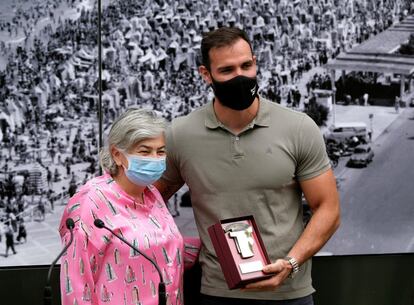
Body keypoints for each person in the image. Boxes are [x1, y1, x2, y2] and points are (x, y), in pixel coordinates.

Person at [155, 27, 340, 305]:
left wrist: (290, 263)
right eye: (227, 70)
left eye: (246, 65)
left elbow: (328, 208)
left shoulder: (298, 127)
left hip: (289, 294)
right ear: (206, 75)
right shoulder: (180, 135)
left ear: (256, 62)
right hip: (217, 293)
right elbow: (148, 202)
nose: (240, 77)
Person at [59, 108, 199, 305]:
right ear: (117, 154)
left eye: (160, 151)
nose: (155, 158)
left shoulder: (152, 194)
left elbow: (159, 247)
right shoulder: (90, 202)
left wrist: (213, 246)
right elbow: (76, 283)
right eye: (144, 151)